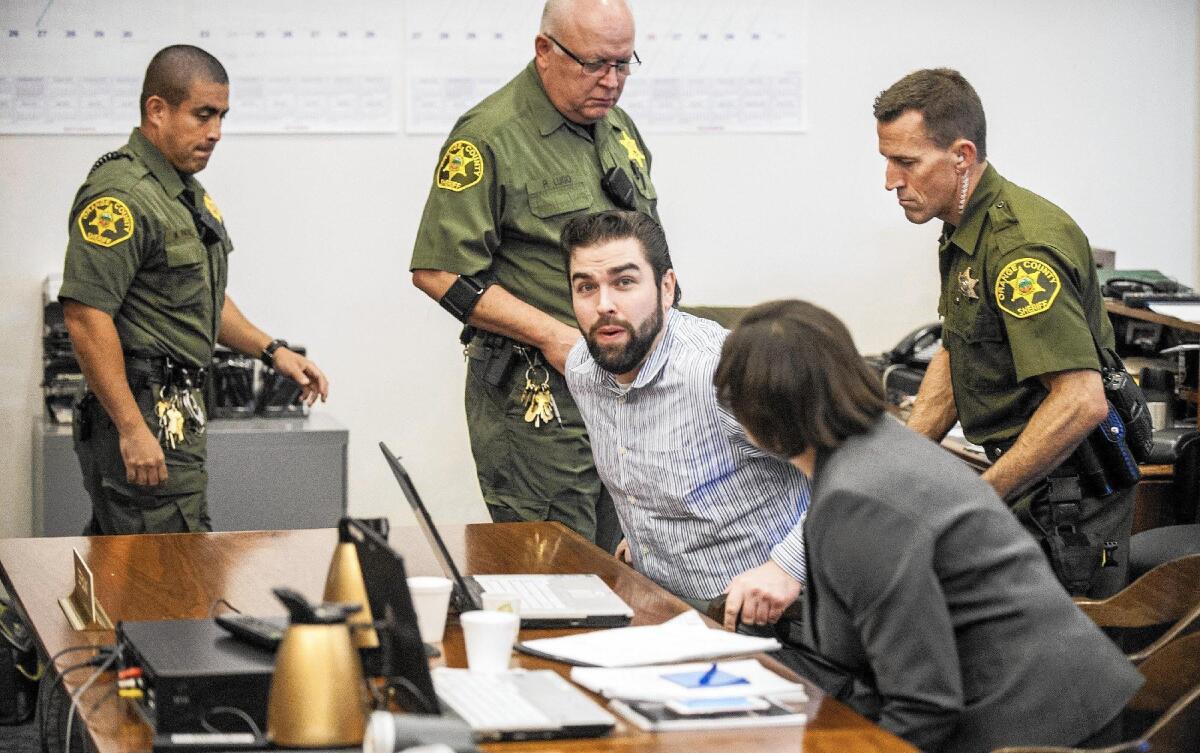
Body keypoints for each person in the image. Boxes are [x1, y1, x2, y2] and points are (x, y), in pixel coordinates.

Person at [714, 299, 1142, 753]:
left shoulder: (853, 499)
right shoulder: (879, 440)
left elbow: (924, 706)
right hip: (1062, 703)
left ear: (755, 417)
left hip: (1029, 730)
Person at [409, 0, 657, 552]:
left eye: (624, 64)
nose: (612, 82)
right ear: (544, 50)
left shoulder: (615, 126)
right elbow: (438, 270)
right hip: (541, 402)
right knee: (554, 571)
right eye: (595, 64)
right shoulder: (489, 136)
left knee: (621, 569)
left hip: (622, 396)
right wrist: (553, 336)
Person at [874, 68, 1132, 597]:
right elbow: (958, 348)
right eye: (887, 161)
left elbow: (1082, 402)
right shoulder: (964, 225)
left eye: (906, 162)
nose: (891, 181)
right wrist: (897, 460)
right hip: (1025, 481)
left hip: (1068, 503)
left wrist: (980, 497)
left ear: (962, 156)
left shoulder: (1020, 251)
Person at [61, 45, 328, 535]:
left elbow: (201, 299)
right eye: (203, 115)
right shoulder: (121, 196)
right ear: (156, 110)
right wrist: (132, 428)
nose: (215, 133)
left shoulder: (181, 190)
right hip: (144, 411)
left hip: (176, 411)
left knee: (144, 566)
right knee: (163, 577)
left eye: (222, 117)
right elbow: (85, 316)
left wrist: (272, 351)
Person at [561, 210, 810, 626]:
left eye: (624, 282)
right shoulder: (584, 369)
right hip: (663, 607)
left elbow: (855, 468)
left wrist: (788, 566)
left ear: (666, 288)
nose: (604, 305)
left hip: (772, 617)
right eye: (586, 287)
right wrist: (647, 538)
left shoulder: (721, 370)